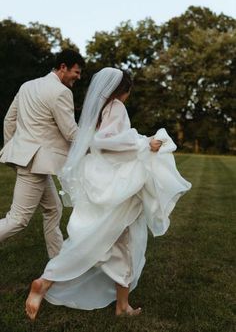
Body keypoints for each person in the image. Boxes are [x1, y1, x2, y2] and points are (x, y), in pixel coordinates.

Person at [25, 67, 191, 319]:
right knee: (119, 240)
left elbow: (107, 140)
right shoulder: (116, 107)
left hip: (100, 177)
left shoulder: (100, 109)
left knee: (98, 240)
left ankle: (52, 283)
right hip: (116, 183)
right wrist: (144, 143)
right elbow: (108, 141)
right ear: (123, 91)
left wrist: (141, 140)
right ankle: (113, 304)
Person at [0, 49, 85, 258]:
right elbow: (71, 133)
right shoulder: (61, 92)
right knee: (18, 219)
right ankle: (58, 262)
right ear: (63, 67)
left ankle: (57, 261)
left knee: (53, 208)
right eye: (76, 71)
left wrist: (15, 150)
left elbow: (9, 121)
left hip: (32, 160)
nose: (79, 77)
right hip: (35, 163)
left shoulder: (27, 86)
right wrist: (100, 143)